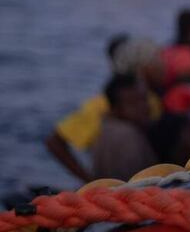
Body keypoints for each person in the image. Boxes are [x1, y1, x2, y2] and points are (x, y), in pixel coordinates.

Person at [46, 36, 163, 182]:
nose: (162, 65)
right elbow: (55, 142)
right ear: (141, 68)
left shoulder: (151, 96)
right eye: (155, 60)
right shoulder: (100, 106)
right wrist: (90, 181)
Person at [92, 74, 158, 181]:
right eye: (134, 103)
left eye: (145, 99)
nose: (145, 106)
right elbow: (139, 183)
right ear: (115, 109)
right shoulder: (128, 137)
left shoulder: (106, 128)